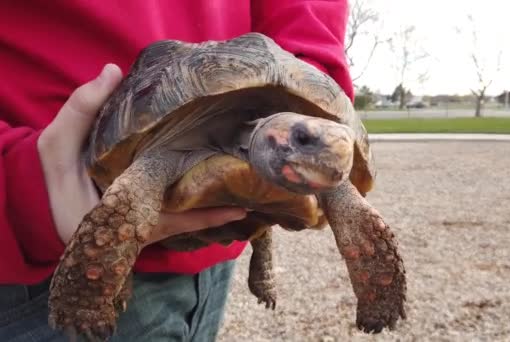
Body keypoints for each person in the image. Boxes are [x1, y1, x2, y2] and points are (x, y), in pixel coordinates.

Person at [0, 1, 354, 341]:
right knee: (119, 221)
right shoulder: (163, 154)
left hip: (213, 271)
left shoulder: (292, 142)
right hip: (57, 249)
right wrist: (19, 189)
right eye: (305, 137)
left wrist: (311, 82)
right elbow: (125, 200)